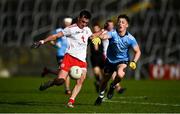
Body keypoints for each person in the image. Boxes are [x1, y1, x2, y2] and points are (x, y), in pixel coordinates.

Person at [32, 10, 99, 108]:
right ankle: (51, 83)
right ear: (79, 18)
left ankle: (71, 101)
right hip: (69, 58)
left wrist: (101, 32)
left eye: (86, 22)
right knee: (60, 81)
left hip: (81, 60)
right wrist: (42, 41)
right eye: (83, 22)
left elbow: (92, 36)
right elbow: (55, 36)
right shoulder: (70, 29)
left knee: (80, 80)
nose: (84, 24)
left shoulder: (87, 29)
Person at [94, 14, 141, 105]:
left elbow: (138, 51)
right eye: (119, 22)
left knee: (120, 74)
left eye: (123, 22)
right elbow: (104, 36)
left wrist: (134, 61)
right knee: (105, 80)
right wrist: (99, 37)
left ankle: (113, 86)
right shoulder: (113, 33)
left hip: (122, 61)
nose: (120, 24)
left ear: (127, 25)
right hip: (110, 60)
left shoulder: (130, 38)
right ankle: (100, 96)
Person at [41, 17, 73, 95]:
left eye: (69, 22)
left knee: (63, 72)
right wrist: (55, 44)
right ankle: (67, 89)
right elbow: (51, 39)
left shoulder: (73, 30)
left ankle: (48, 71)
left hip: (70, 54)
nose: (67, 24)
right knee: (66, 71)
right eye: (66, 22)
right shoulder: (58, 30)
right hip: (61, 53)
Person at [103, 20, 126, 94]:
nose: (111, 26)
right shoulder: (104, 32)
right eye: (109, 25)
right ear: (107, 25)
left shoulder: (115, 32)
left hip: (115, 56)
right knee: (109, 74)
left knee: (115, 72)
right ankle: (116, 87)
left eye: (112, 25)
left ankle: (117, 87)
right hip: (106, 54)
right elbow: (101, 37)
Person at [89, 23, 104, 93]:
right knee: (96, 72)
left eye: (97, 28)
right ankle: (98, 83)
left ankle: (101, 85)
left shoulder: (102, 36)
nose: (95, 29)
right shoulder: (91, 36)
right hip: (94, 56)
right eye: (94, 28)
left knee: (104, 73)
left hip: (101, 56)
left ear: (99, 29)